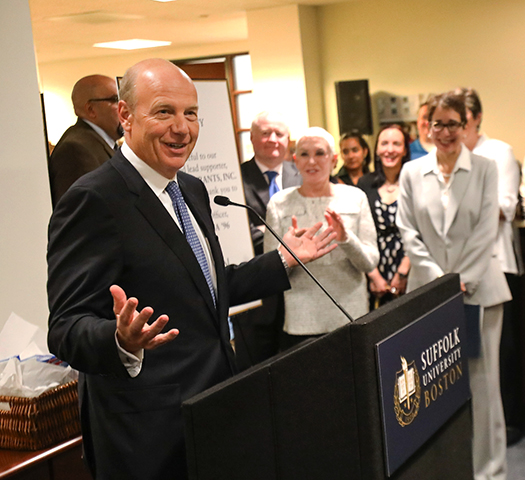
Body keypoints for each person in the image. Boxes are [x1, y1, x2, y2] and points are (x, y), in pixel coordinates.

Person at [46, 59, 336, 480]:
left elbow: (206, 289)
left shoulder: (192, 190)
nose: (181, 128)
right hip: (148, 436)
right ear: (125, 116)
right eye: (164, 111)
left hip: (216, 411)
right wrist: (121, 339)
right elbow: (66, 328)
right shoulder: (94, 199)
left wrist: (282, 259)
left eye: (191, 113)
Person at [398, 91, 511, 480]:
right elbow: (408, 231)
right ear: (427, 128)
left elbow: (486, 230)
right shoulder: (412, 172)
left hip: (479, 293)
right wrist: (439, 282)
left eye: (453, 123)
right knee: (433, 386)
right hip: (429, 297)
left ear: (467, 126)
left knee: (482, 388)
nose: (445, 132)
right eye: (437, 123)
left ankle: (489, 472)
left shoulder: (485, 168)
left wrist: (464, 280)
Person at [265, 127, 378, 346]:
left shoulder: (355, 198)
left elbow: (370, 262)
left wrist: (346, 239)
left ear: (334, 160)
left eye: (319, 153)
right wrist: (290, 255)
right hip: (301, 323)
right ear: (295, 161)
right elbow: (270, 274)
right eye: (304, 155)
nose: (312, 161)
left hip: (351, 317)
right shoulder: (279, 204)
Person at [457, 87, 525, 445]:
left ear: (476, 118)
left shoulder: (499, 153)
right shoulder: (445, 159)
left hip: (496, 264)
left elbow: (504, 208)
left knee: (503, 351)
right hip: (458, 271)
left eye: (460, 120)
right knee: (470, 352)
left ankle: (510, 421)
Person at [234, 112, 302, 370]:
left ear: (288, 139)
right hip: (256, 294)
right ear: (251, 138)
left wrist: (265, 230)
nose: (272, 139)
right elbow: (239, 229)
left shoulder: (304, 175)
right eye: (265, 133)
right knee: (255, 372)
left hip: (299, 293)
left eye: (279, 134)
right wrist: (285, 237)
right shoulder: (235, 177)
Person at [358, 124, 411, 309]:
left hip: (411, 266)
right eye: (384, 143)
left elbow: (421, 230)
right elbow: (358, 233)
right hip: (373, 269)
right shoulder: (364, 184)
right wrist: (373, 275)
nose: (390, 149)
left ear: (405, 150)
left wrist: (403, 273)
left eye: (396, 144)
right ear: (377, 149)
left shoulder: (414, 182)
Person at [48, 74, 122, 206]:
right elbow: (82, 211)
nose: (124, 109)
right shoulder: (75, 149)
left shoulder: (104, 142)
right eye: (115, 100)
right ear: (91, 109)